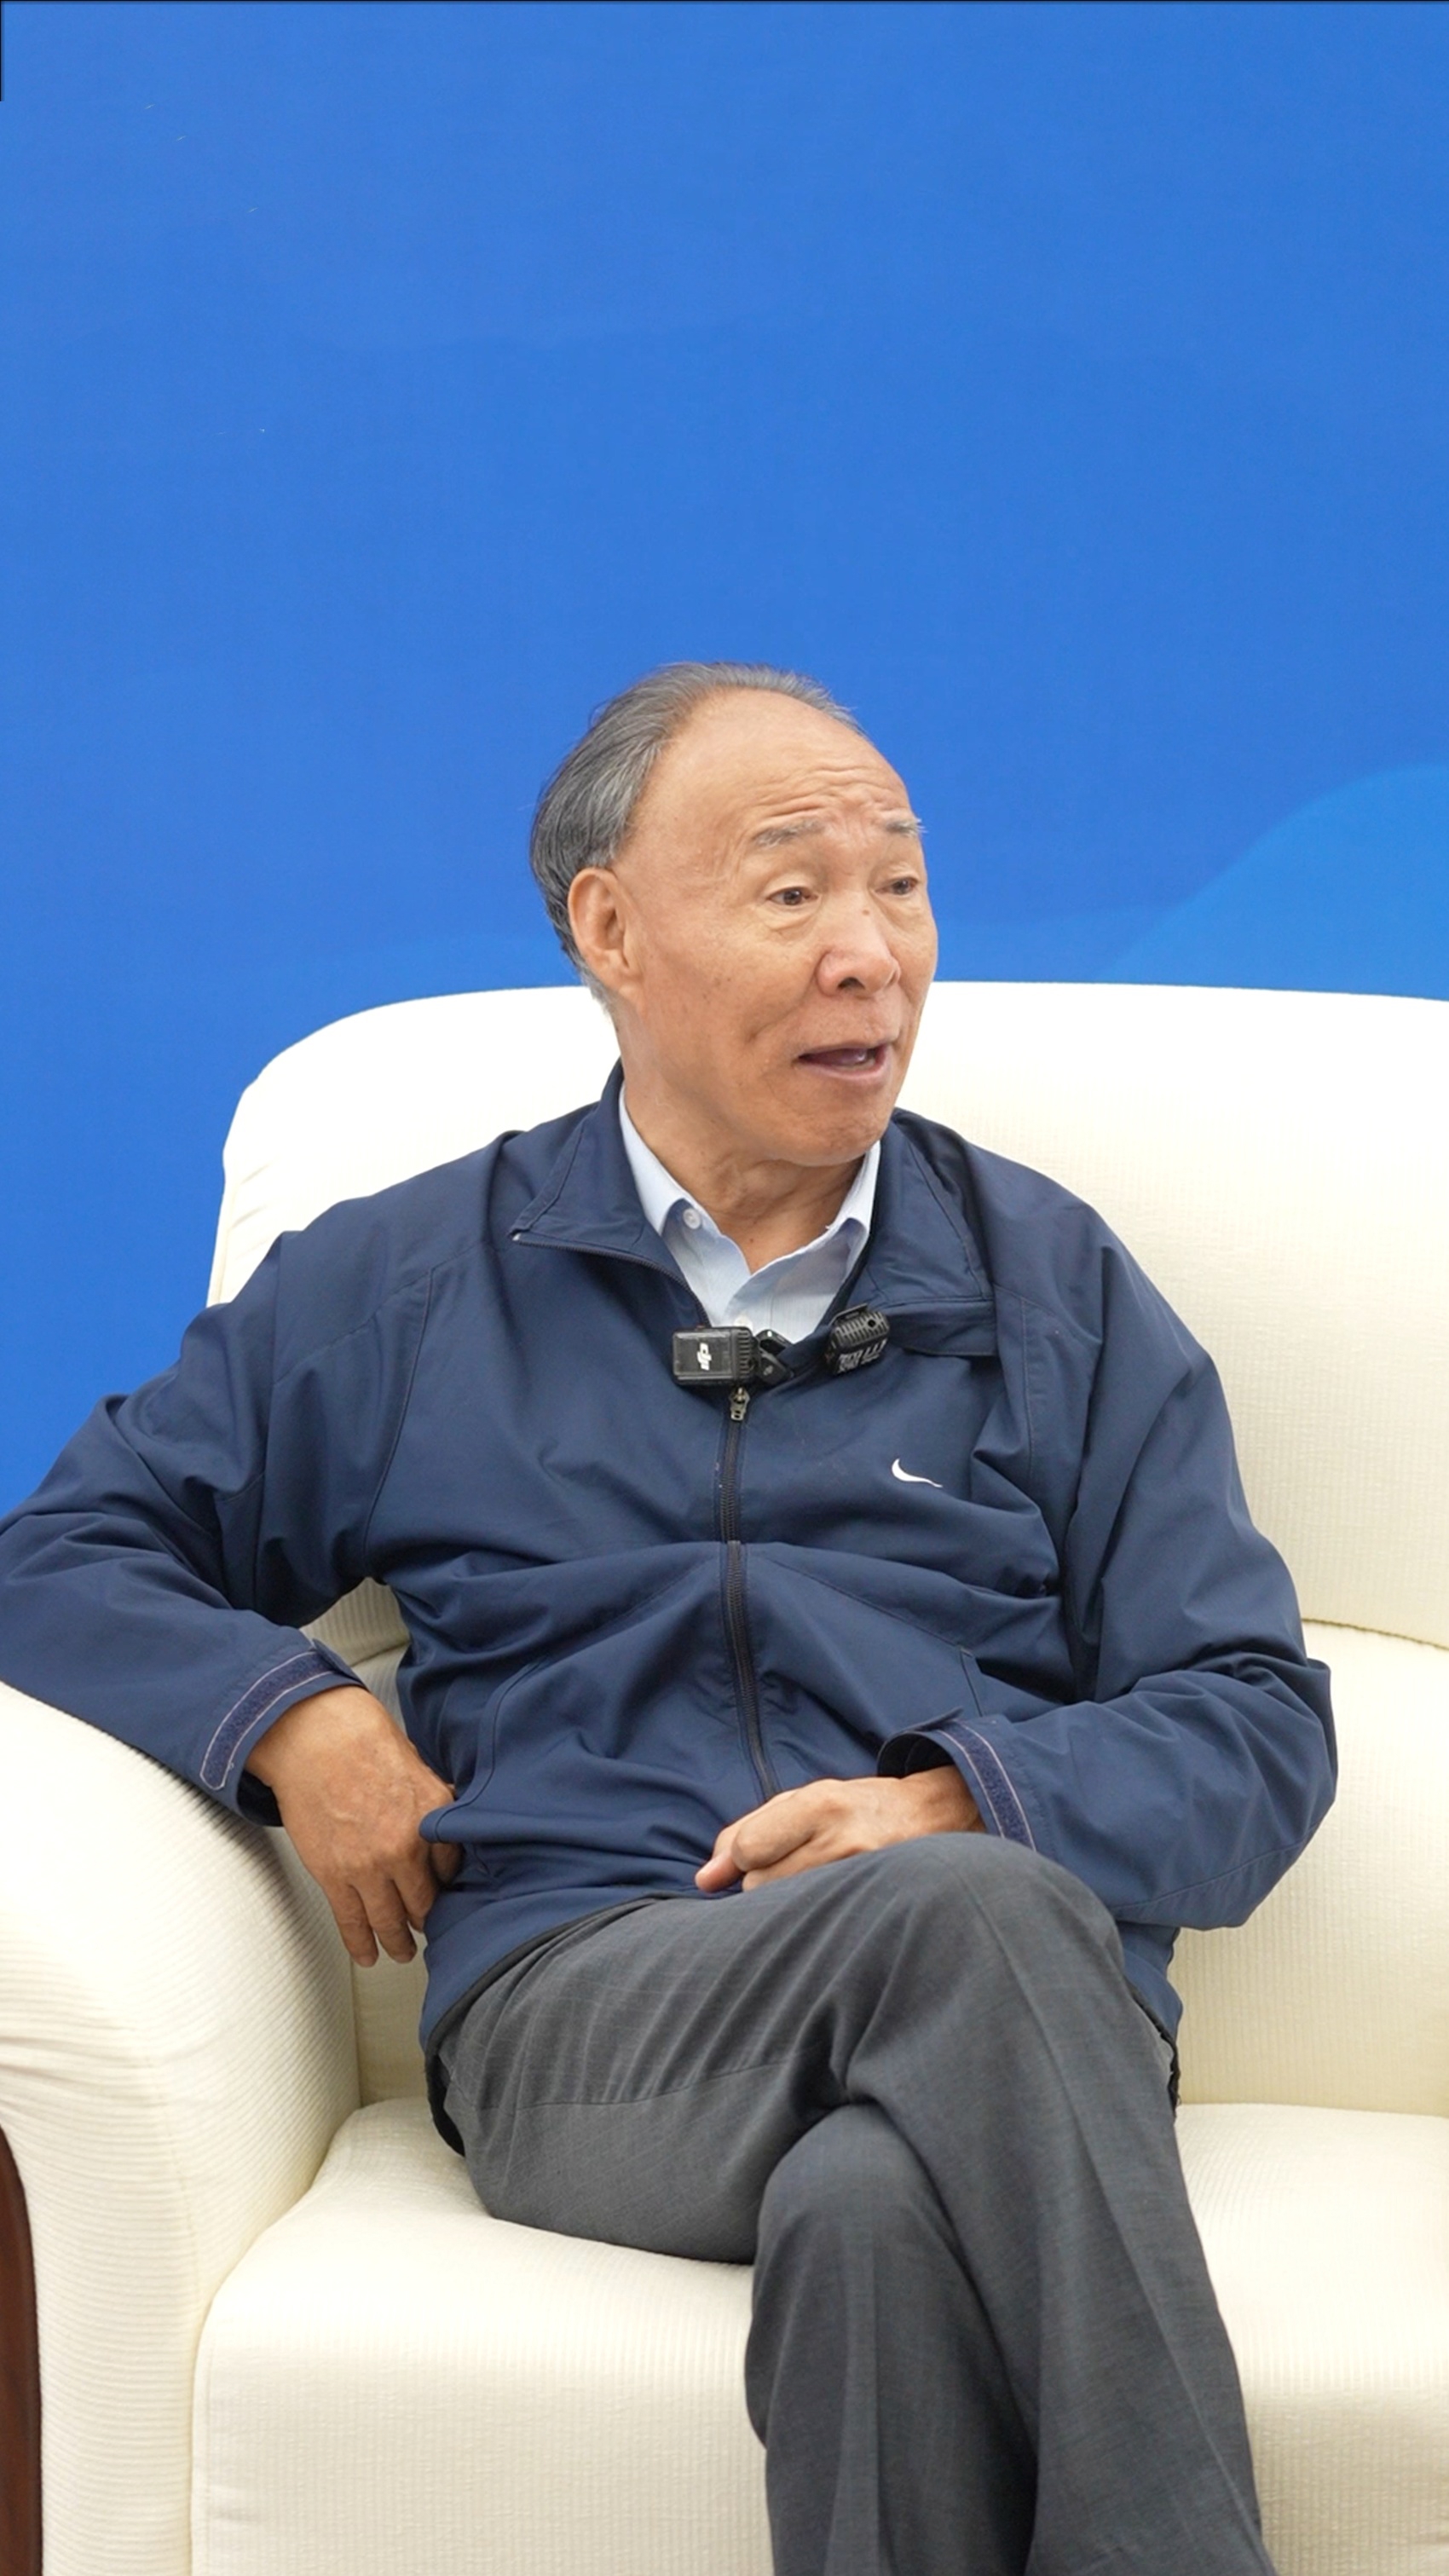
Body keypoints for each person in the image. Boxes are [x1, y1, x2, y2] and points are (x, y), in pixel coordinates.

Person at [0, 661, 1335, 2576]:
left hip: (1012, 2002)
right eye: (793, 891)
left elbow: (1255, 1719)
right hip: (595, 2003)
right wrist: (289, 1708)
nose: (871, 955)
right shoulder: (412, 1282)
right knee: (972, 1930)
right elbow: (55, 1550)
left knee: (874, 2211)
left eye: (900, 885)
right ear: (610, 930)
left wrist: (948, 1802)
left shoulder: (1046, 1285)